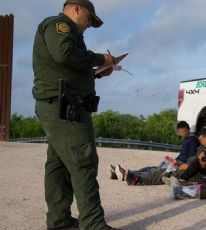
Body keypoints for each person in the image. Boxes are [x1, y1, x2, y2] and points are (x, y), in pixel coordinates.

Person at [33, 0, 119, 229]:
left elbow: (68, 67)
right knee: (84, 162)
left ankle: (59, 221)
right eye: (90, 18)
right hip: (65, 107)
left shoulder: (69, 33)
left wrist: (98, 73)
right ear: (77, 8)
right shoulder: (58, 25)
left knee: (59, 165)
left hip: (61, 105)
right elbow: (64, 54)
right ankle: (93, 224)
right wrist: (102, 58)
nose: (90, 24)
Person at [111, 121, 199, 185]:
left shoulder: (192, 140)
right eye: (179, 131)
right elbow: (182, 155)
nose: (180, 134)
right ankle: (124, 173)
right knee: (150, 168)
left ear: (186, 129)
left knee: (156, 172)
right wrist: (173, 160)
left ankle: (130, 175)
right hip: (175, 163)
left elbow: (190, 158)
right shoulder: (186, 140)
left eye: (181, 131)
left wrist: (178, 163)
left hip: (178, 166)